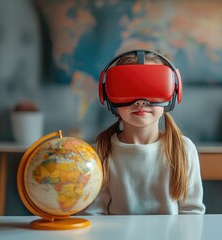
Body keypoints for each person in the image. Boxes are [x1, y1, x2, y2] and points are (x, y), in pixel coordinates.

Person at [83, 49, 205, 215]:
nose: (140, 102)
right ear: (108, 95)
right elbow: (94, 214)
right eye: (128, 89)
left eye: (153, 87)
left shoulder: (184, 149)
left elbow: (192, 213)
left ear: (173, 93)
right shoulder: (101, 152)